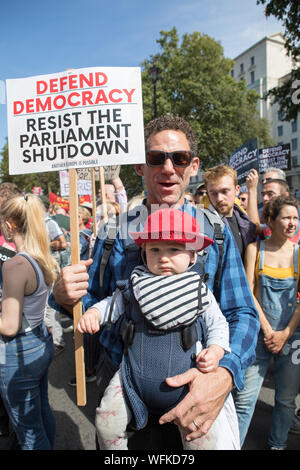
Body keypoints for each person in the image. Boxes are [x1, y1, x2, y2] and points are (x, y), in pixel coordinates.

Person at [51, 114, 259, 449]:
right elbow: (91, 302)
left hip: (196, 398)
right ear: (139, 166)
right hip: (124, 399)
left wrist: (224, 374)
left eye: (178, 158)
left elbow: (241, 314)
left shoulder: (215, 232)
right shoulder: (110, 233)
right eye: (155, 158)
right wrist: (64, 297)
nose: (167, 167)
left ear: (192, 166)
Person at [78, 208, 240, 450]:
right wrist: (94, 314)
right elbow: (113, 303)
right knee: (105, 422)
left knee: (200, 436)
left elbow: (217, 323)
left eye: (174, 249)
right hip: (131, 377)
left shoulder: (199, 289)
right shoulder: (136, 283)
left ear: (192, 256)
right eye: (155, 250)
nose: (163, 257)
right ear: (144, 254)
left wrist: (216, 350)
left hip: (187, 385)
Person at [233, 195, 300, 449]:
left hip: (292, 337)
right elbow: (249, 292)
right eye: (286, 217)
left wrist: (285, 333)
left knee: (286, 400)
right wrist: (269, 329)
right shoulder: (255, 250)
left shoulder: (299, 253)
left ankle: (277, 445)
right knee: (245, 400)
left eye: (295, 217)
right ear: (271, 220)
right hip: (260, 334)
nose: (292, 223)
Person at [0, 194, 57, 449]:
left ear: (10, 225)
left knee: (30, 434)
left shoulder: (15, 265)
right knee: (42, 412)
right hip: (39, 342)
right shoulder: (41, 258)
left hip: (17, 352)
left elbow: (9, 326)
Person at [203, 165, 256, 261]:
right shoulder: (204, 226)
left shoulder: (245, 222)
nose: (219, 198)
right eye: (214, 193)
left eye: (224, 191)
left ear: (237, 190)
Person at [246, 169, 300, 243]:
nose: (265, 198)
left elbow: (255, 228)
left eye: (270, 194)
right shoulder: (260, 212)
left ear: (285, 195)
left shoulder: (296, 215)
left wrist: (252, 189)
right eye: (263, 194)